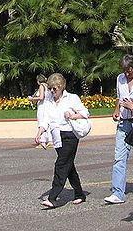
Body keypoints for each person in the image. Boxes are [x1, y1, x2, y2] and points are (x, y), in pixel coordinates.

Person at [38, 73, 89, 208]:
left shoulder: (71, 98)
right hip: (57, 136)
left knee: (60, 165)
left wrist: (72, 115)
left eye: (55, 89)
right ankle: (79, 194)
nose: (52, 91)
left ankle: (53, 197)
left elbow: (85, 113)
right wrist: (39, 133)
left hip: (70, 135)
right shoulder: (49, 101)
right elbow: (45, 119)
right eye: (50, 89)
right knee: (69, 166)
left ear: (61, 87)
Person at [104, 54, 133, 204]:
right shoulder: (120, 79)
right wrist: (117, 110)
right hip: (124, 122)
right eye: (124, 70)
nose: (127, 73)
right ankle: (118, 193)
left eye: (129, 70)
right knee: (119, 158)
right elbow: (120, 98)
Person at [30, 74, 52, 149]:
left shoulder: (41, 86)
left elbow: (41, 97)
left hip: (43, 106)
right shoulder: (48, 86)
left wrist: (32, 99)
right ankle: (50, 140)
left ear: (38, 81)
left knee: (42, 122)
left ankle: (42, 140)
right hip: (49, 105)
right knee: (48, 123)